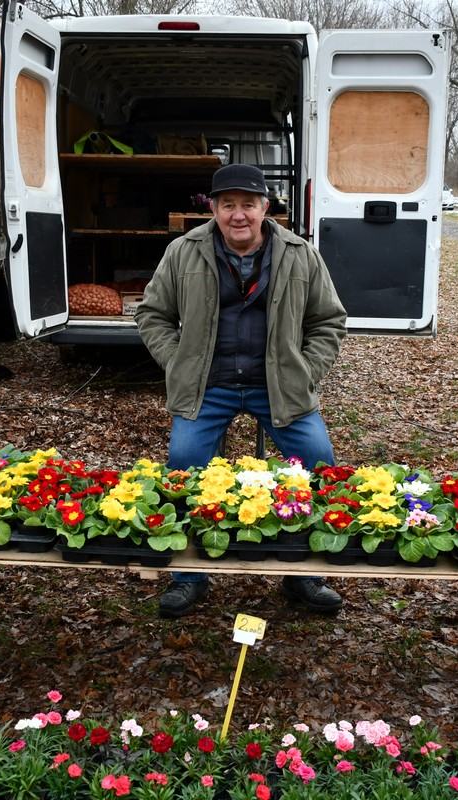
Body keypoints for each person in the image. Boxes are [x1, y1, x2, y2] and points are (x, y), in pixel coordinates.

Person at [135, 163, 348, 619]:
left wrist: (306, 371)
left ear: (265, 208)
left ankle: (304, 576)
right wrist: (176, 363)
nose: (238, 215)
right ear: (213, 208)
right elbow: (152, 314)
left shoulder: (300, 254)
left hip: (280, 388)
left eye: (248, 205)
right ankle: (188, 576)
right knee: (183, 466)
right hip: (207, 388)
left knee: (318, 462)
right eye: (227, 204)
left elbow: (328, 319)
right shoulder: (182, 252)